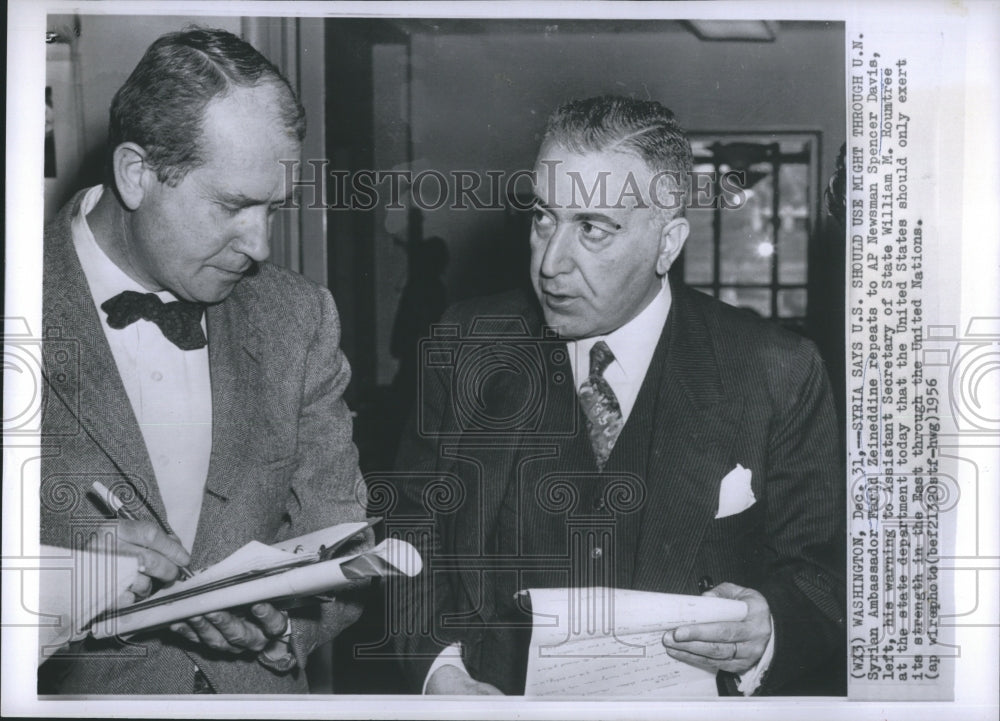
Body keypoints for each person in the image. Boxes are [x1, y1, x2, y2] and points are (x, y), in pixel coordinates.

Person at [391, 96, 844, 696]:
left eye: (593, 229)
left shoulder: (775, 370)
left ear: (668, 243)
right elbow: (406, 528)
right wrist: (441, 672)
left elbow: (822, 577)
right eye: (544, 219)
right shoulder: (466, 344)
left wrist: (770, 628)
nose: (551, 263)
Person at [38, 28, 368, 694]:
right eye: (232, 206)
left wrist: (280, 629)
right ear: (137, 174)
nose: (260, 244)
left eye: (273, 209)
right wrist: (64, 586)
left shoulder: (298, 319)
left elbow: (345, 550)